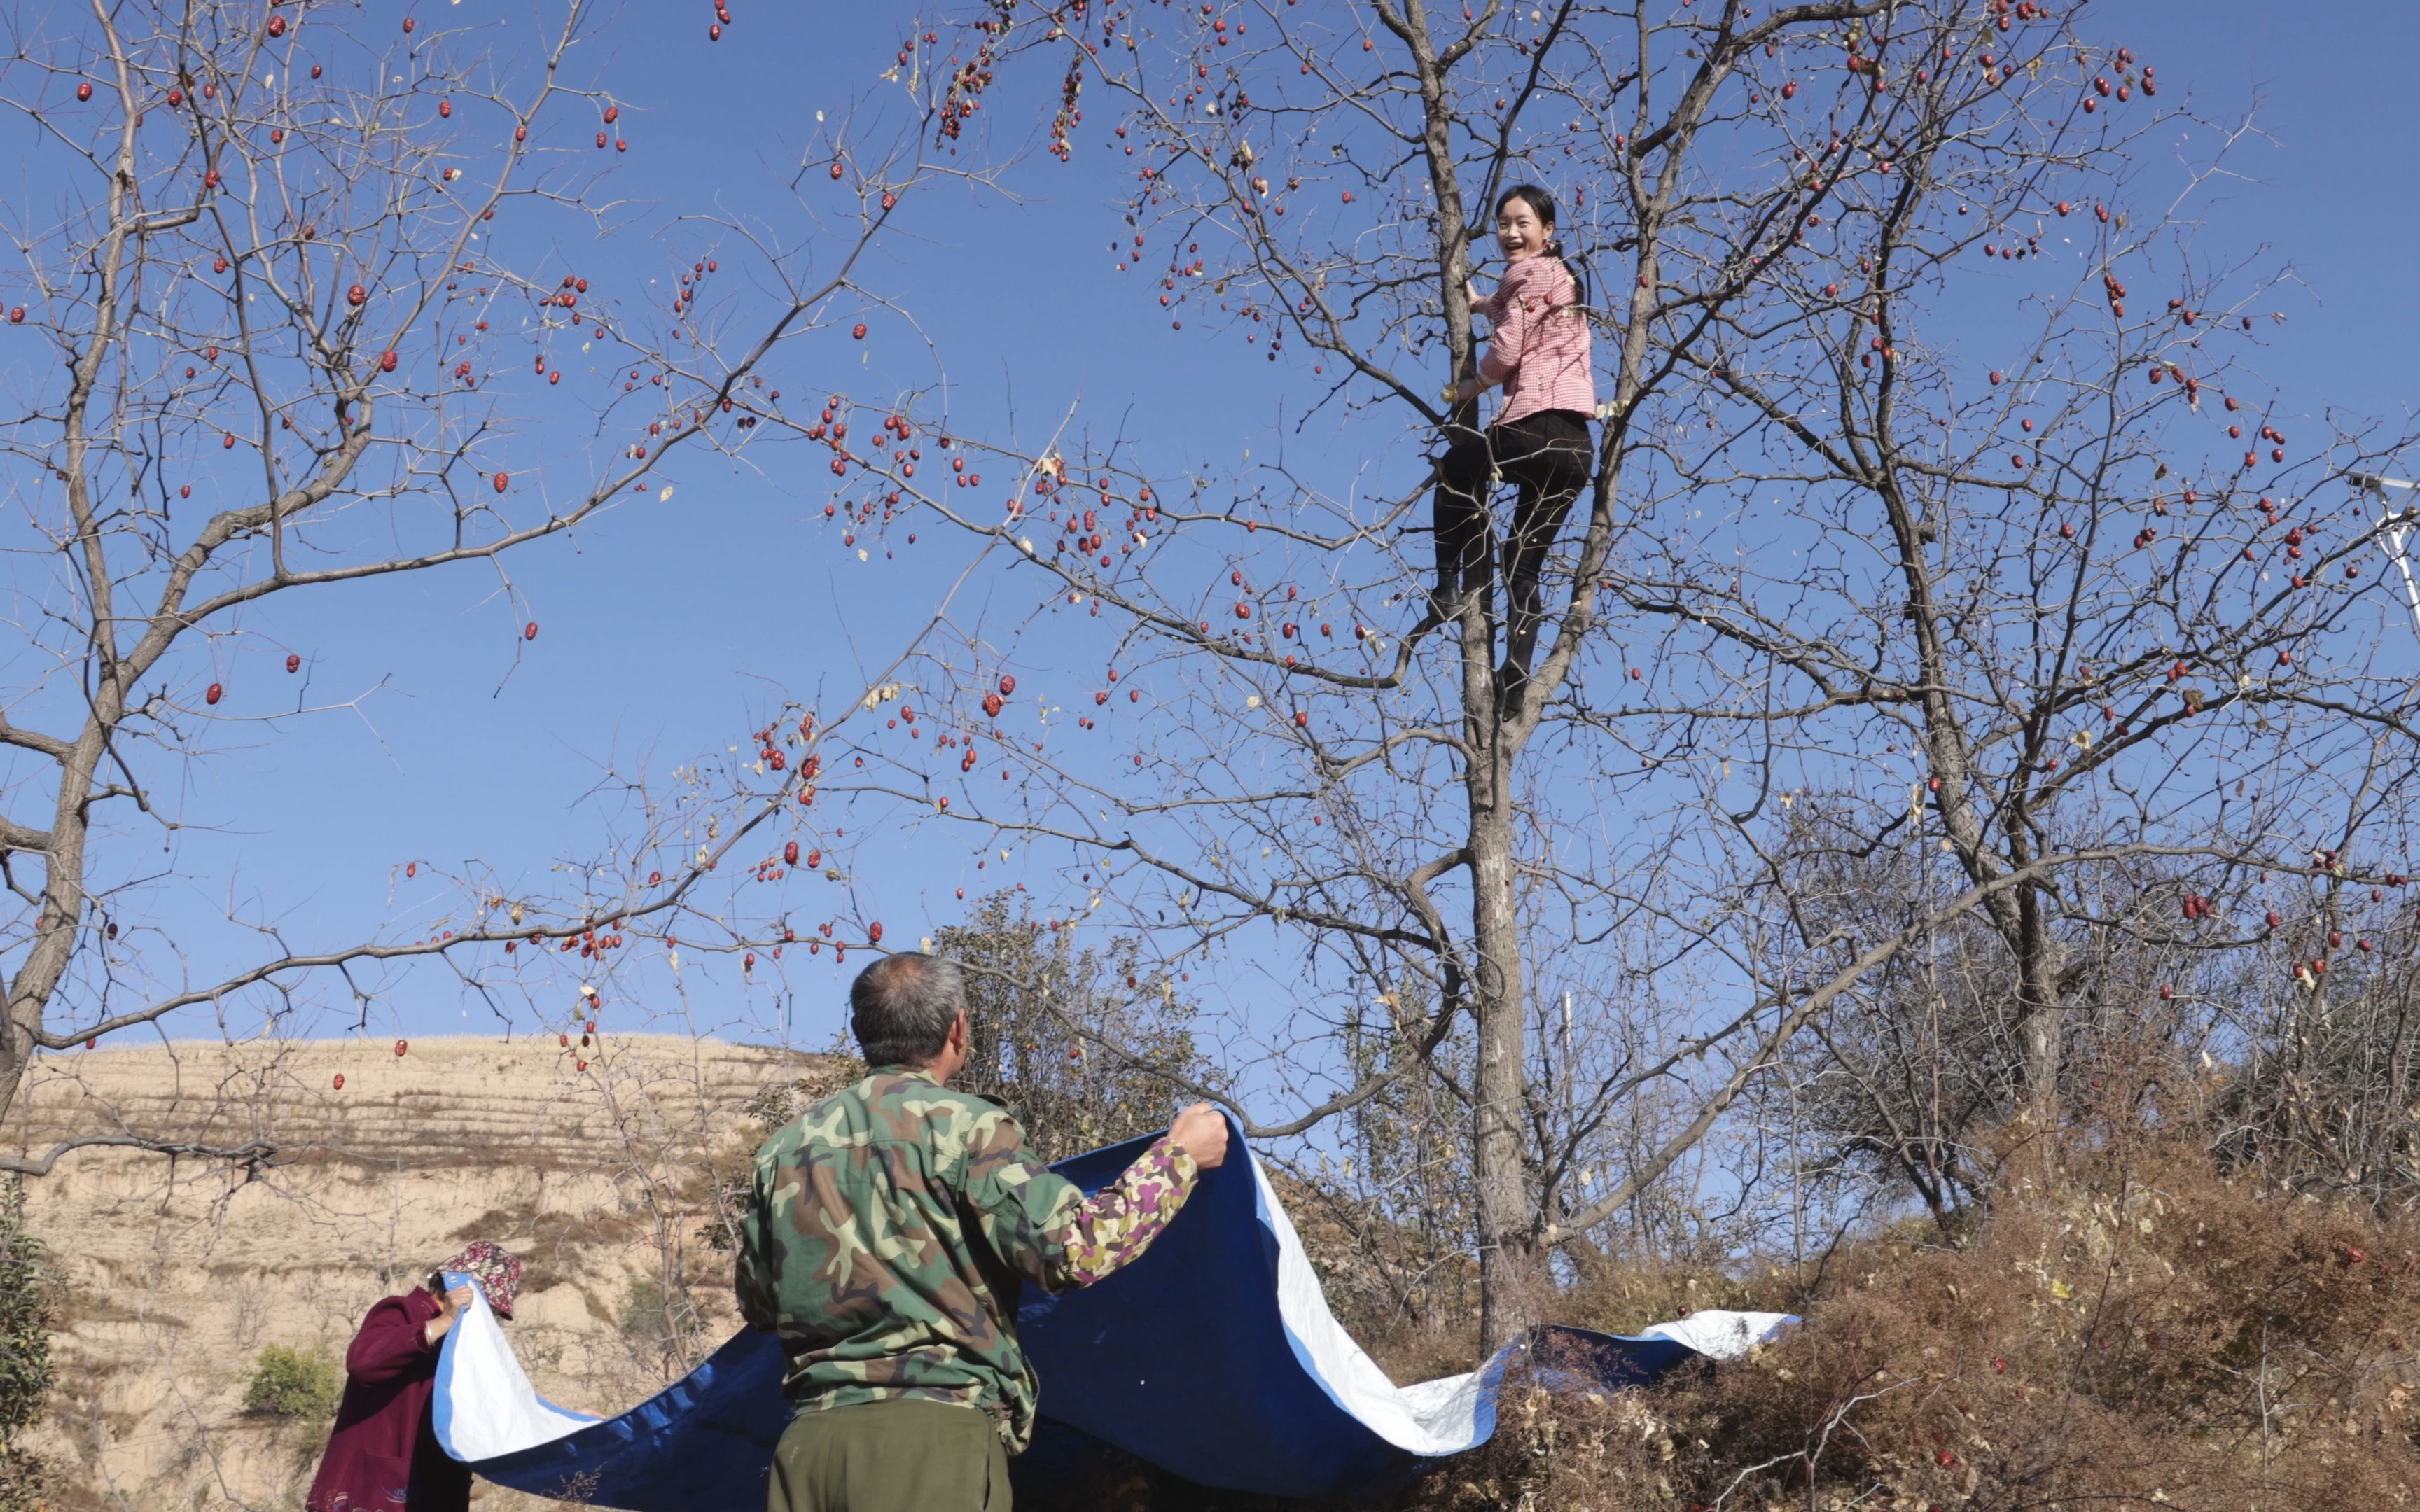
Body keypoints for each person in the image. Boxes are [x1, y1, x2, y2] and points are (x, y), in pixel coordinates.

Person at [737, 951, 1230, 1512]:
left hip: (807, 1449)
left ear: (859, 1032)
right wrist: (1179, 1157)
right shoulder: (969, 1128)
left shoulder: (783, 1152)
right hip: (930, 1448)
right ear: (958, 1028)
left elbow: (759, 1304)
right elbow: (1078, 1250)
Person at [1433, 183, 1599, 714]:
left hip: (1534, 427)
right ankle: (1515, 679)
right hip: (1574, 451)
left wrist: (1466, 389)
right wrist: (1482, 302)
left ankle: (1445, 585)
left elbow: (1507, 350)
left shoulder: (1528, 272)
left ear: (1547, 231)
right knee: (1521, 564)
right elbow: (1515, 311)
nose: (1510, 233)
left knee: (1456, 467)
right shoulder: (1564, 279)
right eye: (1503, 223)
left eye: (1523, 223)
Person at [305, 1240, 525, 1512]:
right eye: (488, 1307)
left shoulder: (466, 1343)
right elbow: (362, 1361)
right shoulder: (404, 1312)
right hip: (372, 1491)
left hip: (433, 1491)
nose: (490, 1317)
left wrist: (576, 1425)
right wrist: (443, 1321)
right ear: (460, 1291)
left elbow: (501, 1413)